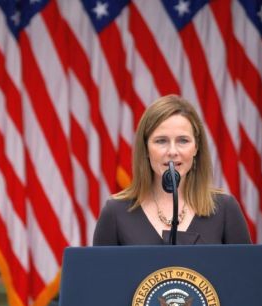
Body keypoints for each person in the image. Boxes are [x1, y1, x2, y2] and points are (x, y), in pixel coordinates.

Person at [93, 94, 251, 246]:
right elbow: (100, 273)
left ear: (196, 147)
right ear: (146, 149)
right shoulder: (115, 212)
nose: (173, 151)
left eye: (183, 140)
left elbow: (245, 273)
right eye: (161, 141)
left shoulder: (224, 209)